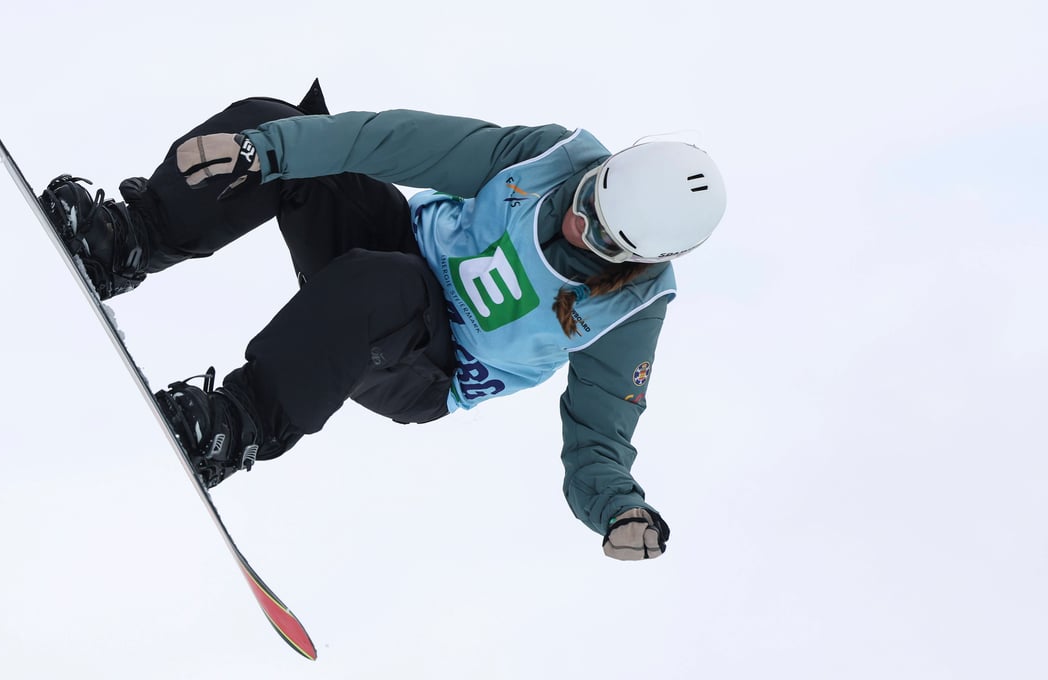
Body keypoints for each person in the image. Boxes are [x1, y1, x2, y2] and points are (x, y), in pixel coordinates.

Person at [39, 80, 726, 561]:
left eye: (602, 237)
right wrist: (265, 149)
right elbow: (400, 143)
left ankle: (235, 425)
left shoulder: (631, 309)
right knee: (279, 126)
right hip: (390, 248)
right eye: (590, 198)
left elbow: (599, 431)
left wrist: (618, 508)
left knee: (383, 287)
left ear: (641, 257)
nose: (578, 223)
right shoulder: (551, 158)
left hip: (429, 366)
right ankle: (126, 239)